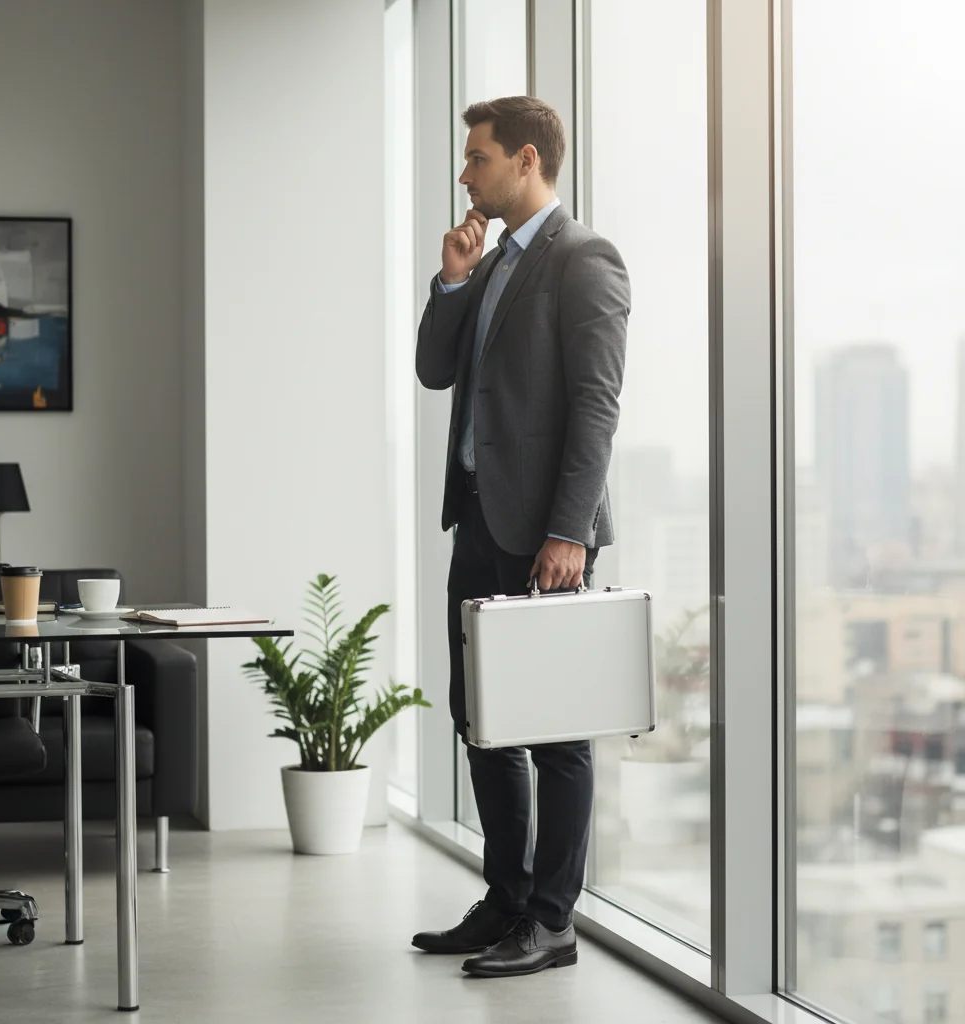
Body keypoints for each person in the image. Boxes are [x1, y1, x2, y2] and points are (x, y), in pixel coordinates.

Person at [411, 96, 630, 979]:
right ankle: (505, 899)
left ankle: (551, 920)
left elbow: (596, 406)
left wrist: (569, 533)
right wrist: (454, 279)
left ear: (526, 159)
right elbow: (434, 371)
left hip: (546, 536)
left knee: (556, 732)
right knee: (482, 720)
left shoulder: (584, 259)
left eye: (478, 158)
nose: (465, 174)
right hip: (476, 519)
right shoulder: (491, 259)